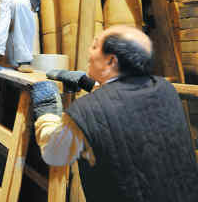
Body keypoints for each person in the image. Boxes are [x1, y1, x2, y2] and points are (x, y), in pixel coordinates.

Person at [31, 25, 198, 202]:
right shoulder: (164, 88)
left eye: (95, 46)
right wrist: (91, 83)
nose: (89, 51)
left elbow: (54, 152)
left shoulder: (86, 111)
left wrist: (46, 109)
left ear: (111, 61)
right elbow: (123, 100)